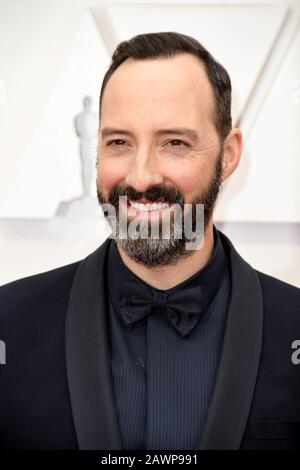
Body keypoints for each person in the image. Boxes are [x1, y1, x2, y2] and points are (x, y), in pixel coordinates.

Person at [0, 32, 299, 451]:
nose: (140, 177)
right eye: (119, 142)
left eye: (174, 143)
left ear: (229, 155)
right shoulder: (8, 323)